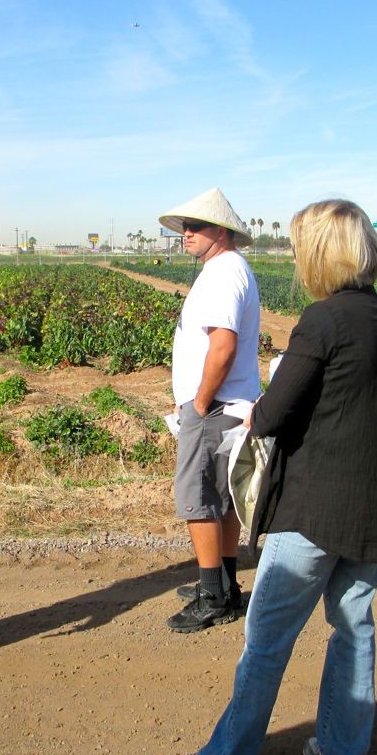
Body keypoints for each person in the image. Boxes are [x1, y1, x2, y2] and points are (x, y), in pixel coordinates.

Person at [159, 199, 377, 755]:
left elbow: (271, 415)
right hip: (372, 503)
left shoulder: (322, 321)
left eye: (301, 247)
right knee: (354, 625)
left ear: (322, 254)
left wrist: (266, 391)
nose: (297, 259)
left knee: (267, 638)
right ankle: (342, 751)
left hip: (315, 505)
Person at [158, 188, 261, 632]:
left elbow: (223, 344)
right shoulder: (229, 269)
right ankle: (224, 582)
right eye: (184, 227)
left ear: (221, 230)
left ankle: (212, 595)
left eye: (195, 227)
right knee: (223, 499)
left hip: (215, 406)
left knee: (198, 498)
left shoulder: (223, 273)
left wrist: (198, 402)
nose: (186, 234)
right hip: (228, 403)